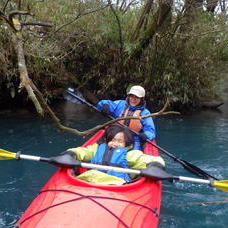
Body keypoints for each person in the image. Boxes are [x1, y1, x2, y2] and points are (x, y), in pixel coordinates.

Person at [65, 125, 165, 185]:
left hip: (115, 184)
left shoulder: (129, 154)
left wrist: (156, 166)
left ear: (126, 144)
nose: (115, 143)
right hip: (88, 180)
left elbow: (151, 159)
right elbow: (83, 151)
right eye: (112, 140)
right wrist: (70, 154)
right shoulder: (96, 149)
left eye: (120, 141)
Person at [96, 85, 156, 150]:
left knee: (135, 153)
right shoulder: (120, 104)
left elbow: (150, 131)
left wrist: (146, 135)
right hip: (114, 134)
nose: (133, 99)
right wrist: (104, 105)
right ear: (129, 96)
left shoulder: (145, 113)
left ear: (141, 99)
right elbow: (106, 103)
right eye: (131, 96)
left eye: (137, 97)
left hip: (133, 138)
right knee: (100, 147)